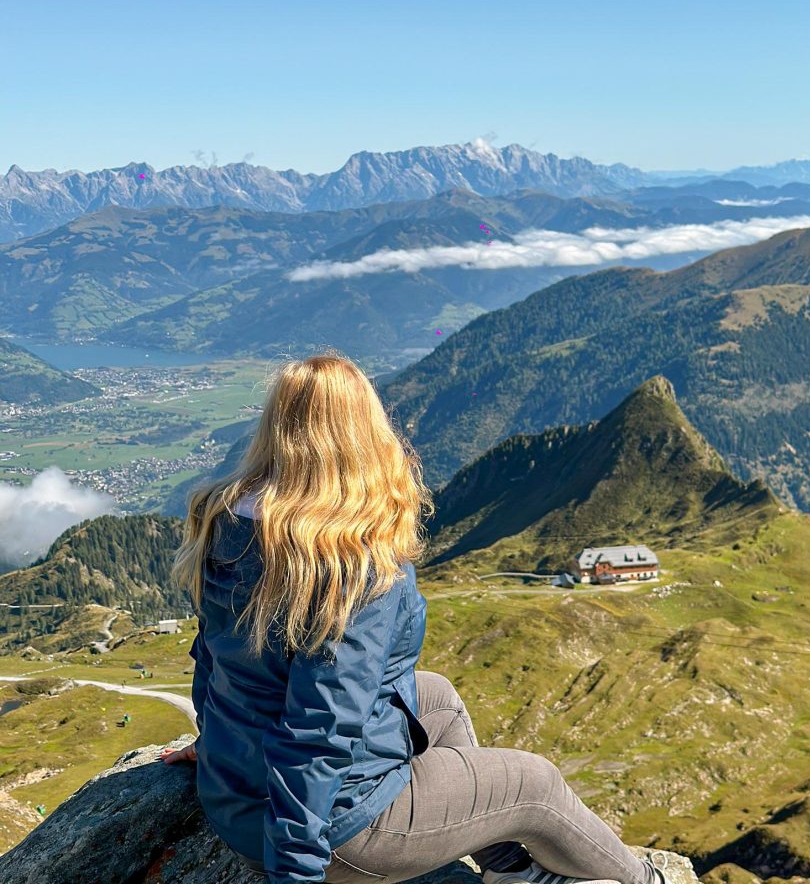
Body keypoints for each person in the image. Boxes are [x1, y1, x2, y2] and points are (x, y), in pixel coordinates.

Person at [160, 353, 668, 884]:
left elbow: (215, 655)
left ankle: (508, 865)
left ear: (276, 428)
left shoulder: (226, 521)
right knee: (536, 785)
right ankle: (648, 882)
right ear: (364, 433)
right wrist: (294, 872)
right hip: (343, 832)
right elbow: (319, 731)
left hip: (237, 796)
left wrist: (217, 743)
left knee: (438, 698)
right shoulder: (350, 558)